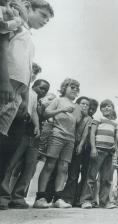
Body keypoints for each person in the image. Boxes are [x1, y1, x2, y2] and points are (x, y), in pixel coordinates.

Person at [0, 0, 53, 182]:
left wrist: (23, 98)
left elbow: (27, 70)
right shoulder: (14, 23)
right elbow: (3, 48)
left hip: (18, 90)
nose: (45, 21)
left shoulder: (29, 35)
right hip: (6, 84)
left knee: (4, 139)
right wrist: (4, 81)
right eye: (43, 15)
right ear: (29, 8)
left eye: (48, 19)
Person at [0, 79, 49, 209]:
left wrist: (37, 126)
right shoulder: (26, 92)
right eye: (41, 88)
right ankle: (3, 197)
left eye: (46, 90)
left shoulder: (40, 102)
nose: (43, 91)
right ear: (34, 85)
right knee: (10, 164)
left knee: (29, 168)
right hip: (21, 132)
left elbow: (35, 113)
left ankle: (18, 197)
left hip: (34, 137)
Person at [33, 78, 82, 209]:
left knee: (64, 168)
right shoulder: (58, 100)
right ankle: (40, 198)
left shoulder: (77, 107)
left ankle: (58, 199)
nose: (75, 89)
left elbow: (75, 124)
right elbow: (46, 112)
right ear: (64, 87)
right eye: (72, 87)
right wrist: (62, 110)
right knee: (49, 165)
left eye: (77, 88)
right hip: (57, 135)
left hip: (70, 139)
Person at [79, 99, 118, 209]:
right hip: (98, 150)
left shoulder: (114, 123)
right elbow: (92, 133)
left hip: (109, 152)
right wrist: (93, 148)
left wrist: (115, 149)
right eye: (103, 106)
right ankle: (86, 200)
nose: (106, 108)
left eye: (109, 106)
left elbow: (115, 138)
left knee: (106, 178)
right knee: (91, 176)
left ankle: (104, 202)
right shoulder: (98, 119)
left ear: (112, 109)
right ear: (100, 109)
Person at [62, 96, 92, 207]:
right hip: (70, 143)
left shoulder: (89, 118)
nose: (84, 106)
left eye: (87, 104)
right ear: (77, 104)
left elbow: (85, 134)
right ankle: (68, 198)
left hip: (82, 147)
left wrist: (80, 145)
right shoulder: (73, 116)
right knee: (73, 174)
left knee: (84, 175)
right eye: (82, 103)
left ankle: (79, 199)